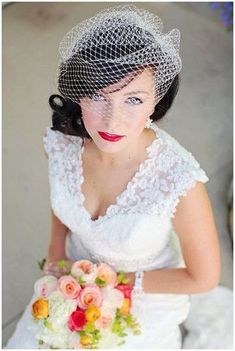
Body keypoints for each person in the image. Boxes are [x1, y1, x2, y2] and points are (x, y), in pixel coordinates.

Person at [5, 4, 221, 349]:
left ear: (157, 100)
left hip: (146, 293)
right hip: (72, 279)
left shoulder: (180, 181)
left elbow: (204, 277)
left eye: (133, 99)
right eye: (97, 96)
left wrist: (119, 284)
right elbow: (61, 203)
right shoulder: (61, 143)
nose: (112, 121)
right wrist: (57, 255)